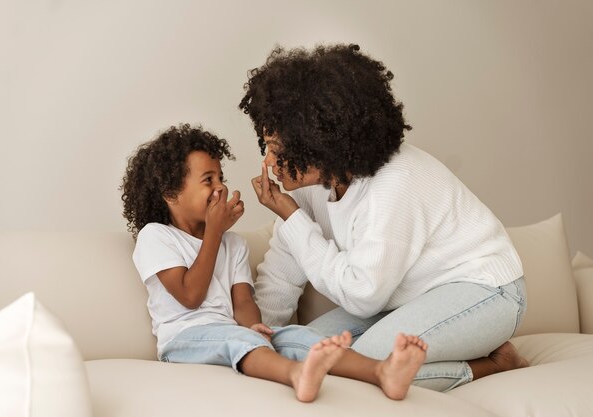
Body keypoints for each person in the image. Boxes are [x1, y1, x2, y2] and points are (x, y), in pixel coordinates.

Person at [239, 44, 529, 392]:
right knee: (298, 351)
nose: (269, 162)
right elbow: (281, 280)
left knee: (351, 371)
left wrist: (292, 217)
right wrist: (251, 343)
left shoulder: (395, 181)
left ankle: (494, 364)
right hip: (406, 299)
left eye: (278, 150)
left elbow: (364, 295)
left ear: (320, 144)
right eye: (265, 146)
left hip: (485, 290)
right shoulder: (308, 187)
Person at [120, 123, 428, 402]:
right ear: (170, 195)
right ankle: (295, 374)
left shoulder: (233, 244)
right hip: (184, 341)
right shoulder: (156, 237)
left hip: (231, 334)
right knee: (237, 338)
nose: (220, 188)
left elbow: (242, 301)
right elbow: (190, 295)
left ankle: (382, 371)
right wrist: (214, 232)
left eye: (221, 178)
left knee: (297, 335)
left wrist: (257, 327)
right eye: (207, 180)